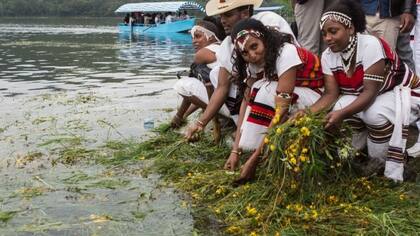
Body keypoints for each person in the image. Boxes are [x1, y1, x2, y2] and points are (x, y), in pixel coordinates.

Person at [308, 0, 420, 181]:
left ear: (350, 29)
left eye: (333, 31)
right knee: (340, 108)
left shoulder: (370, 45)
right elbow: (331, 94)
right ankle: (359, 156)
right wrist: (306, 114)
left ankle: (381, 162)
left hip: (401, 93)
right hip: (370, 96)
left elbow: (370, 93)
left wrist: (341, 114)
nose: (327, 38)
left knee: (373, 113)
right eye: (324, 34)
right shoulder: (328, 56)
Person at [224, 18, 324, 182]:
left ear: (264, 38)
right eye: (245, 53)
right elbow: (246, 101)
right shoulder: (254, 63)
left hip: (314, 97)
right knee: (257, 88)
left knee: (265, 89)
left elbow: (282, 108)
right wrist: (235, 150)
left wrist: (254, 160)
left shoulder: (286, 52)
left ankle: (259, 151)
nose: (252, 55)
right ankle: (253, 147)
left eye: (254, 46)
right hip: (288, 97)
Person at [184, 0, 296, 141]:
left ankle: (271, 128)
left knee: (259, 87)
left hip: (289, 88)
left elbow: (282, 57)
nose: (223, 21)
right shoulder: (228, 44)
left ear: (244, 14)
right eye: (221, 16)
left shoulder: (268, 20)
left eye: (228, 15)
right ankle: (242, 126)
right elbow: (222, 87)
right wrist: (200, 123)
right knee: (216, 73)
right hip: (255, 91)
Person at [171, 18, 226, 129]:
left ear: (210, 36)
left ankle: (218, 120)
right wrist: (184, 115)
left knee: (182, 85)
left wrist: (179, 116)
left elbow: (193, 92)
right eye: (193, 37)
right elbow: (203, 90)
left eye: (198, 36)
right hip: (230, 102)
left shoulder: (202, 54)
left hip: (223, 104)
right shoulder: (223, 47)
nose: (193, 41)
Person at [361, 0, 416, 69]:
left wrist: (408, 11)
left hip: (389, 14)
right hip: (362, 12)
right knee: (364, 60)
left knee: (388, 62)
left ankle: (410, 79)